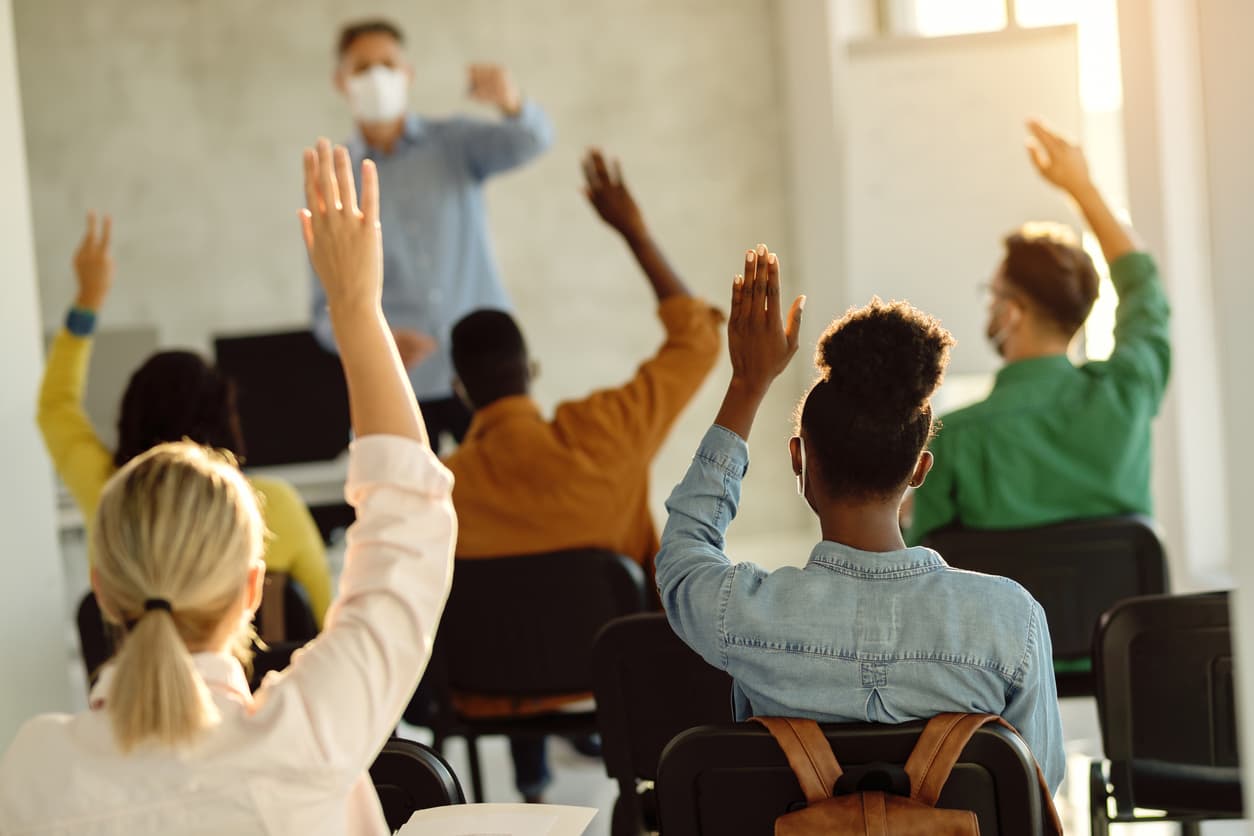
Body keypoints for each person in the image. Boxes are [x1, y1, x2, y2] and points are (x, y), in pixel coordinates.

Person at [1, 139, 456, 835]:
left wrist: (88, 301)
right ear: (250, 588)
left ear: (103, 583)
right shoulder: (310, 734)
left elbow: (55, 407)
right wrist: (357, 306)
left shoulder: (35, 770)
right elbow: (402, 540)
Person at [655, 244, 1065, 793]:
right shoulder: (1011, 623)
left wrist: (747, 386)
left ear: (799, 462)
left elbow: (683, 554)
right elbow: (1035, 787)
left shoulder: (744, 614)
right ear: (920, 470)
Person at [439, 149, 722, 801]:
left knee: (508, 594)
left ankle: (530, 783)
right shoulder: (608, 433)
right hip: (616, 672)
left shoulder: (439, 489)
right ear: (529, 372)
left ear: (460, 388)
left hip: (486, 691)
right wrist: (634, 231)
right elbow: (700, 342)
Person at [38, 213, 333, 627]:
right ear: (224, 421)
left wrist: (88, 299)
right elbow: (324, 623)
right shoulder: (273, 508)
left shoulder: (109, 497)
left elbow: (56, 407)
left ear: (130, 419)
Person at [906, 120, 1171, 545]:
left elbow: (929, 581)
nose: (989, 306)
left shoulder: (952, 442)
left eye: (992, 296)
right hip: (1112, 614)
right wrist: (1082, 189)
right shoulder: (1127, 395)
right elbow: (1143, 285)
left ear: (1012, 312)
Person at [312, 19, 554, 449]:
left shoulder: (454, 143)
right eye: (362, 68)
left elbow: (532, 141)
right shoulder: (336, 177)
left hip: (486, 373)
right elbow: (324, 305)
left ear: (407, 74)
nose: (377, 78)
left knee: (512, 497)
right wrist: (369, 336)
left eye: (387, 64)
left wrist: (510, 103)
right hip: (399, 382)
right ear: (340, 82)